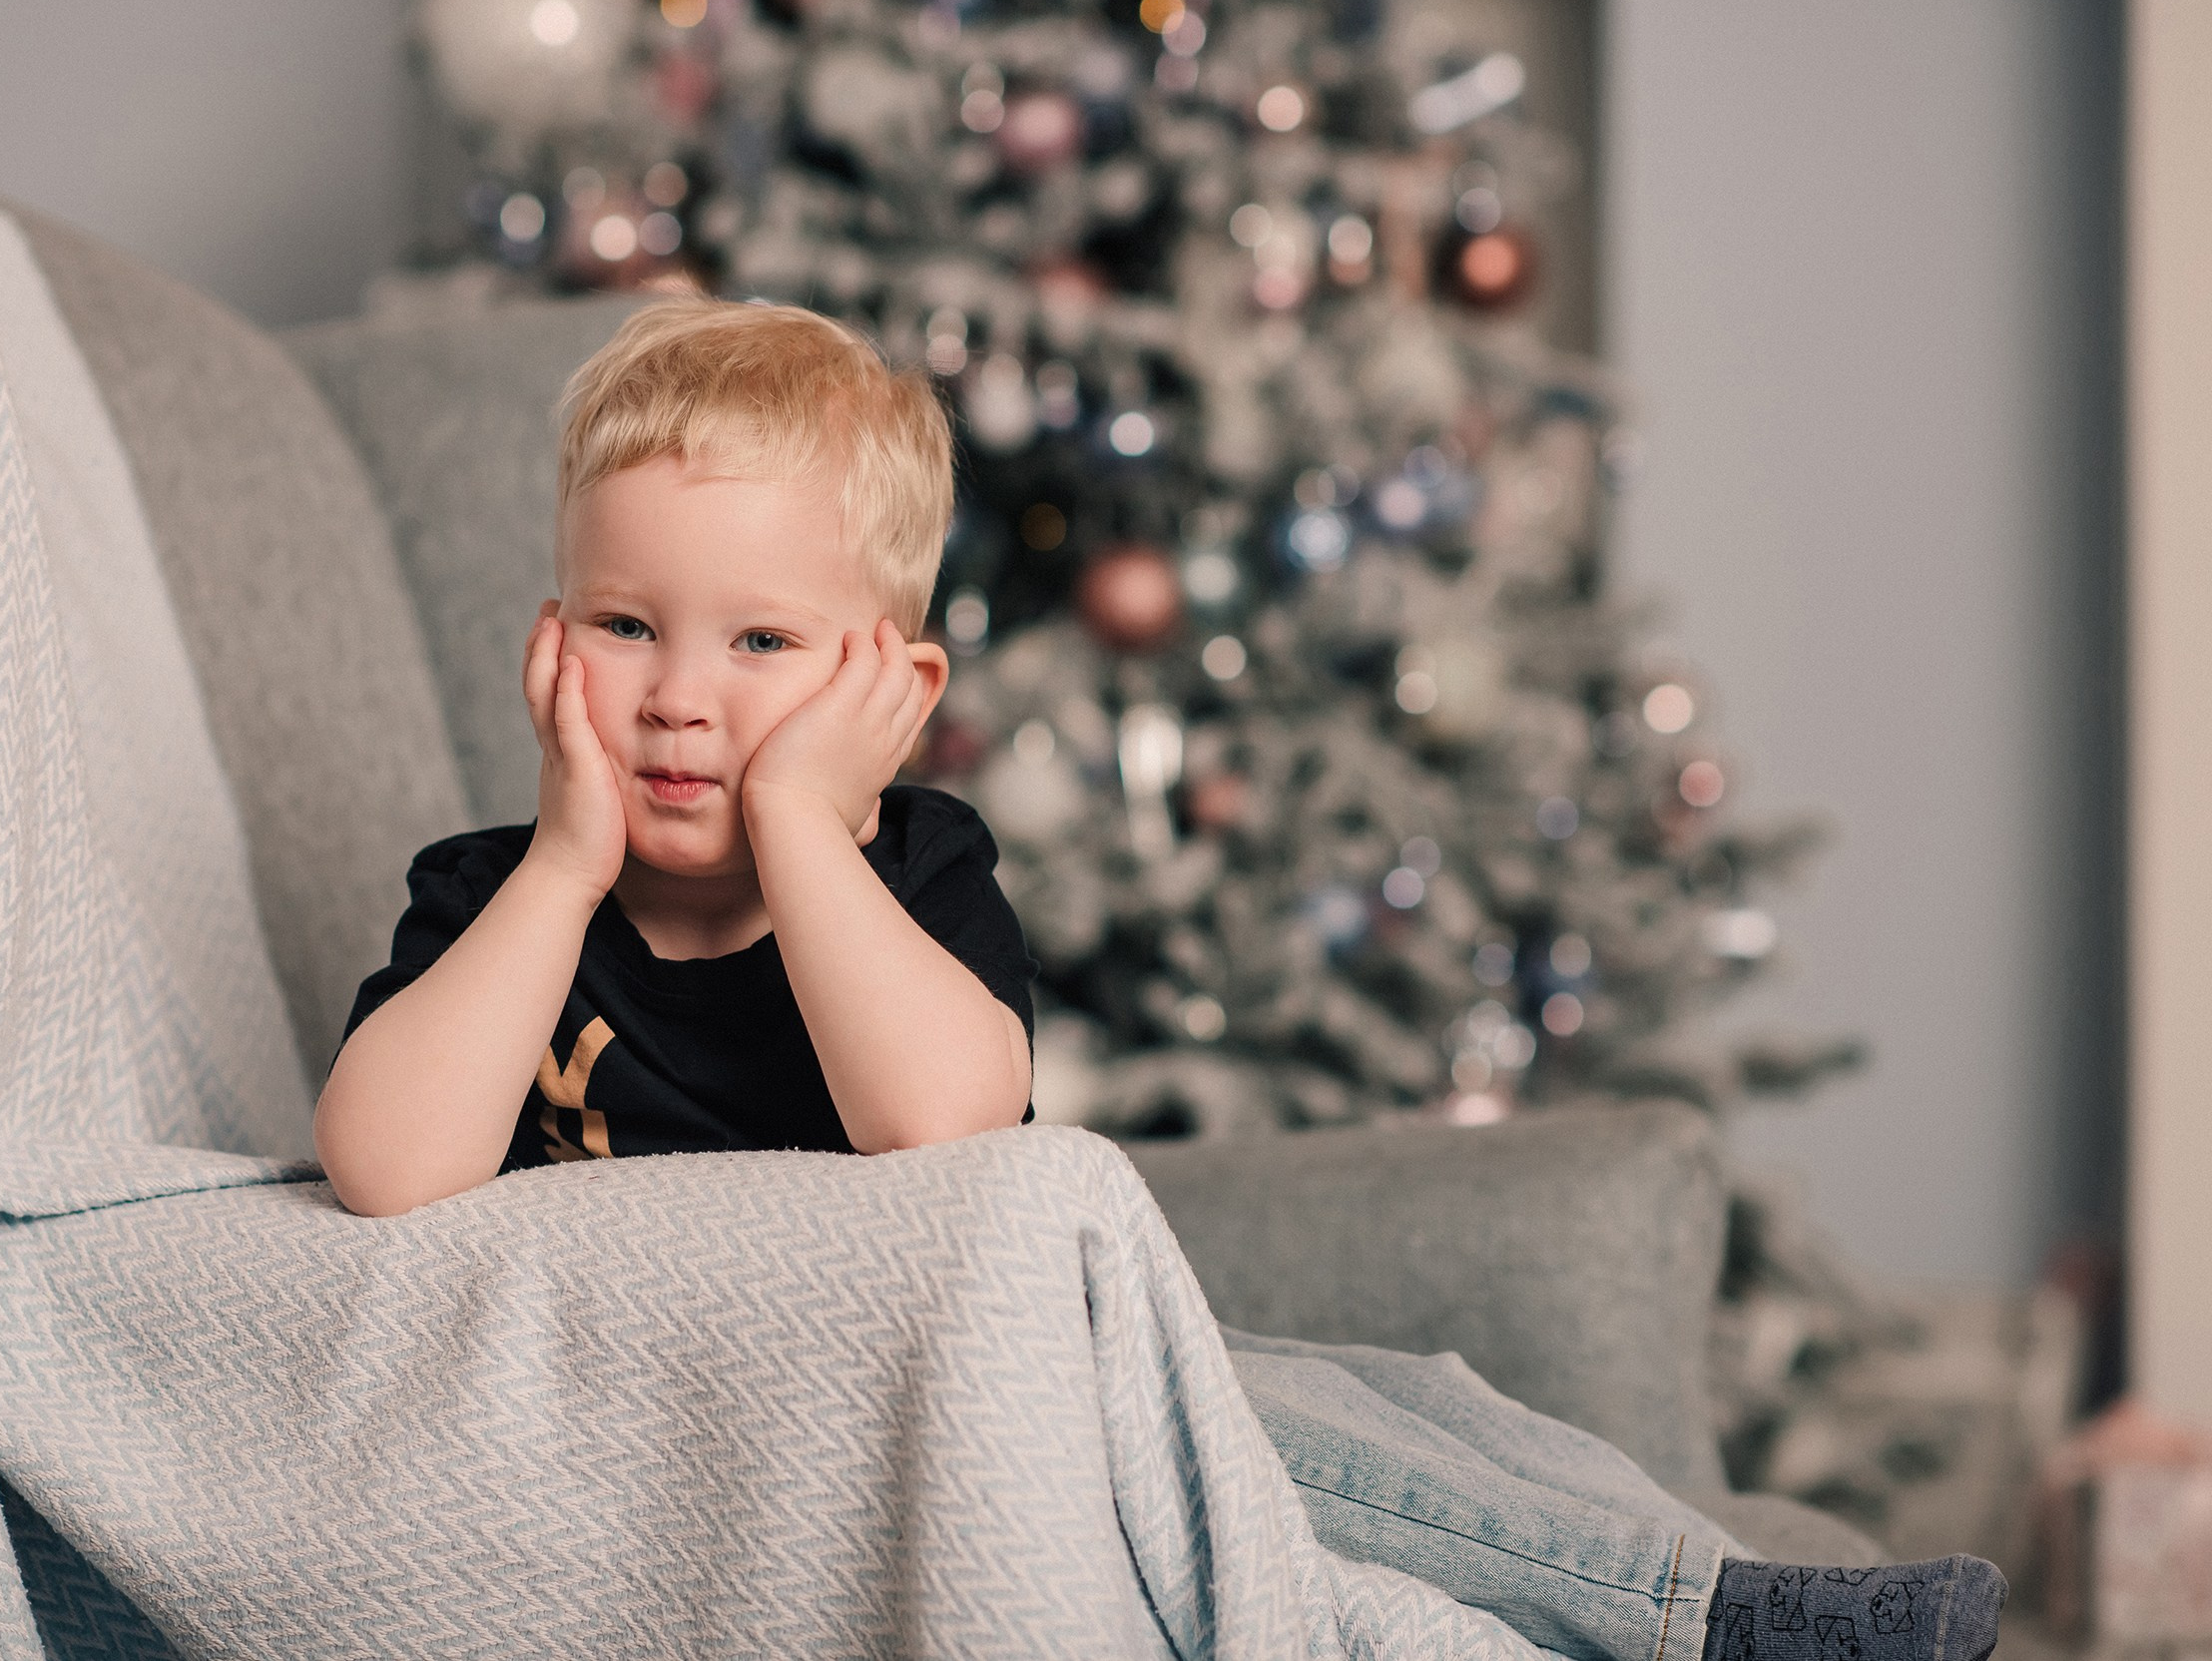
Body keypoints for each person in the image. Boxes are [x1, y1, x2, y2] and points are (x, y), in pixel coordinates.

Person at [309, 297, 2005, 1661]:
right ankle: (1698, 1620)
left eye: (760, 645)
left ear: (889, 691)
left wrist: (803, 825)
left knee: (1393, 1399)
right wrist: (560, 861)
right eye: (625, 627)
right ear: (549, 643)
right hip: (745, 1424)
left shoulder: (908, 871)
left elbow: (953, 1115)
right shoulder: (499, 899)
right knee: (1234, 1408)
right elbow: (385, 1168)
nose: (680, 696)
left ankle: (1686, 1568)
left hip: (970, 1391)